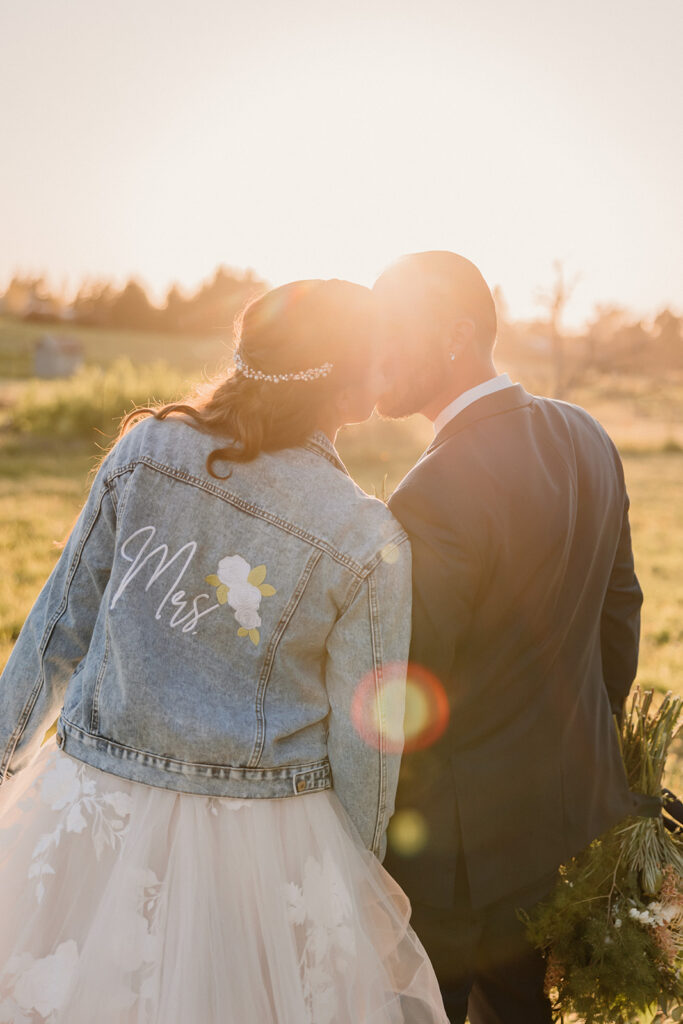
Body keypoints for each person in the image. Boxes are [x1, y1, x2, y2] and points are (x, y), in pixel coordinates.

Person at [0, 279, 449, 1024]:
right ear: (350, 384)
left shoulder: (144, 450)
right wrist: (351, 879)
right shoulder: (364, 535)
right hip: (262, 840)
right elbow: (366, 741)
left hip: (94, 802)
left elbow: (55, 632)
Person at [373, 252, 644, 1024]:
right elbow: (619, 613)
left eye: (394, 333)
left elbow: (408, 687)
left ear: (458, 336)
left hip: (458, 868)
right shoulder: (585, 434)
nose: (375, 357)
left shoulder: (432, 487)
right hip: (565, 829)